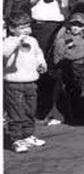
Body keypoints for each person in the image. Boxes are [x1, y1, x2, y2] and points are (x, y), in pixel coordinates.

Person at [3, 12, 48, 153]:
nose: (26, 30)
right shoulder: (8, 41)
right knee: (16, 112)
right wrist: (17, 41)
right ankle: (16, 139)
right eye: (21, 27)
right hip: (14, 83)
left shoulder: (33, 41)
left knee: (30, 110)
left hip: (31, 81)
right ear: (12, 28)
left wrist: (42, 63)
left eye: (27, 26)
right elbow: (4, 53)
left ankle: (28, 135)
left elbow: (38, 54)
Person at [51, 12, 84, 125]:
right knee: (70, 92)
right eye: (73, 25)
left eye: (79, 25)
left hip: (81, 66)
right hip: (69, 67)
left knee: (79, 91)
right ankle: (70, 116)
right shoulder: (65, 39)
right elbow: (58, 56)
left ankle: (78, 113)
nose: (76, 28)